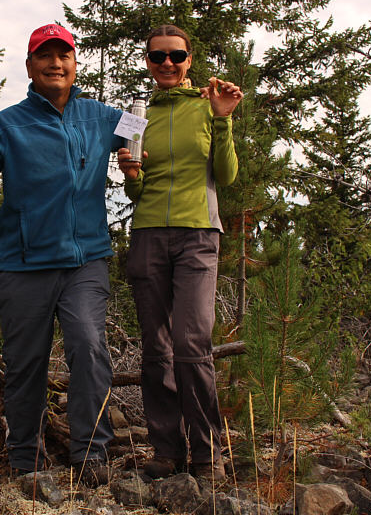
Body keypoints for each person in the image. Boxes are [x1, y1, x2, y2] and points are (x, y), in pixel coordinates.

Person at [0, 23, 124, 487]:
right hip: (24, 264)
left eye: (63, 55)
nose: (56, 63)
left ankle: (91, 452)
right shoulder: (7, 123)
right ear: (30, 67)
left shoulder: (102, 116)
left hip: (85, 260)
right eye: (45, 56)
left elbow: (147, 132)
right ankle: (25, 459)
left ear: (75, 63)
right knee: (26, 363)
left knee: (89, 345)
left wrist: (183, 104)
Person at [117, 24, 243, 482]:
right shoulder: (135, 115)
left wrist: (224, 118)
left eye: (176, 56)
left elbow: (226, 176)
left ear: (189, 60)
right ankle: (166, 451)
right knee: (156, 348)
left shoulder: (208, 106)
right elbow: (135, 191)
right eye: (157, 57)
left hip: (198, 234)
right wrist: (131, 174)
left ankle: (208, 456)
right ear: (147, 62)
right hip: (148, 233)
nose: (167, 64)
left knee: (192, 343)